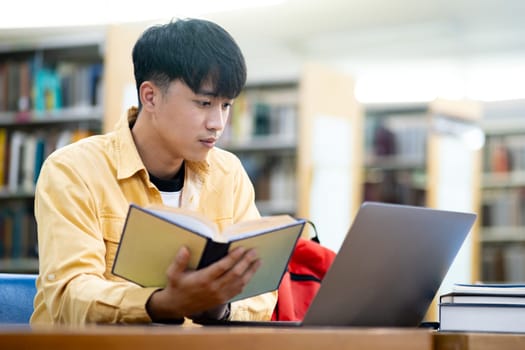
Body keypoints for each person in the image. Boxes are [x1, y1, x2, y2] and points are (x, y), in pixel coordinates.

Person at [31, 18, 276, 325]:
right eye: (204, 102)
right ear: (150, 97)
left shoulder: (229, 173)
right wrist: (160, 304)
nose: (217, 122)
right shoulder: (72, 170)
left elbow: (262, 294)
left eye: (226, 105)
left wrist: (218, 308)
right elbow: (69, 296)